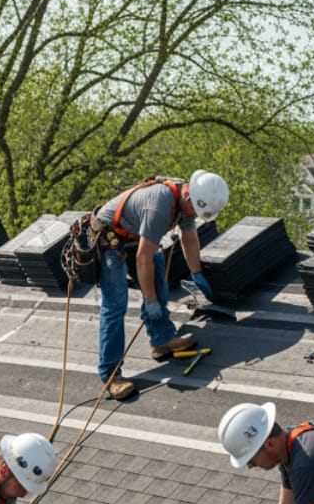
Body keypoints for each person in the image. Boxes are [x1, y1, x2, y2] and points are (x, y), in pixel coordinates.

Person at [91, 171, 228, 401]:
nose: (194, 214)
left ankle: (162, 339)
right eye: (194, 209)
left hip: (135, 235)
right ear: (188, 195)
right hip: (110, 239)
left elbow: (189, 237)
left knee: (158, 270)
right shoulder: (160, 205)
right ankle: (110, 375)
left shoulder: (187, 202)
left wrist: (197, 273)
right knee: (115, 305)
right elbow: (142, 259)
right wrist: (151, 301)